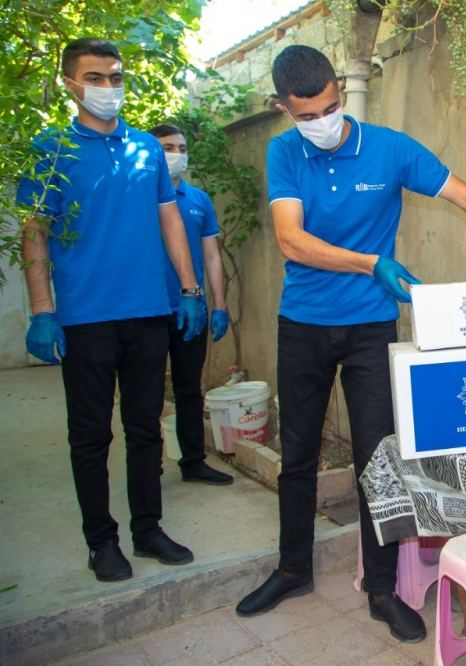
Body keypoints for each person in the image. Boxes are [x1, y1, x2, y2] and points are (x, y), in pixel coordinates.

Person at [235, 45, 466, 643]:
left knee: (377, 462)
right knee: (296, 457)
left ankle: (382, 588)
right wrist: (370, 261)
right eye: (305, 115)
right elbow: (292, 241)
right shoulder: (283, 152)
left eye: (328, 107)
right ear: (283, 109)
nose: (320, 122)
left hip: (371, 328)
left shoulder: (389, 147)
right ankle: (293, 568)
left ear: (338, 93)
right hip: (302, 323)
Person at [17, 38, 207, 583]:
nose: (107, 88)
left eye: (115, 77)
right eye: (95, 77)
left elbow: (170, 219)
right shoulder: (49, 149)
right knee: (90, 436)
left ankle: (148, 530)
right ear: (70, 84)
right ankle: (101, 541)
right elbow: (36, 231)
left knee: (146, 428)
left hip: (148, 310)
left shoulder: (147, 148)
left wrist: (190, 289)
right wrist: (41, 309)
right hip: (84, 317)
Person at [149, 123, 233, 486]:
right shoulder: (139, 196)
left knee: (188, 389)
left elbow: (212, 256)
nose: (177, 155)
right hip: (148, 311)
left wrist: (219, 305)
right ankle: (147, 467)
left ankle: (193, 461)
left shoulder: (199, 200)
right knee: (146, 395)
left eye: (181, 148)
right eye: (168, 148)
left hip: (191, 309)